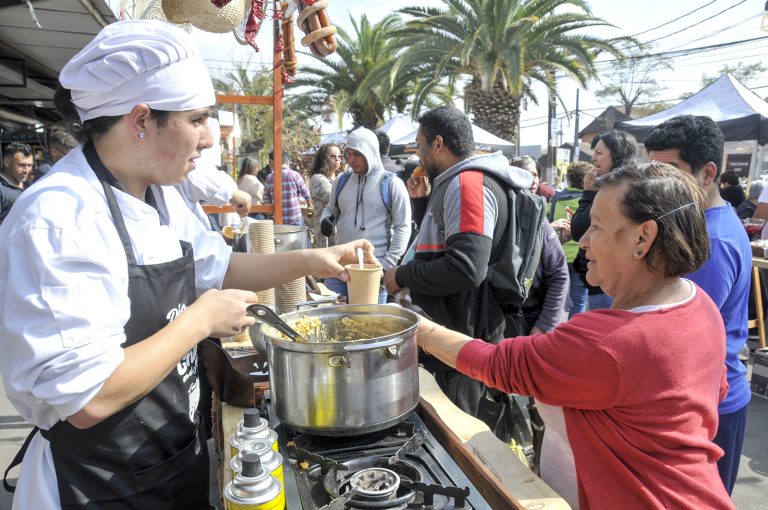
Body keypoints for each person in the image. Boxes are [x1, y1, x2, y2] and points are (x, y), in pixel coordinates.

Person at [0, 20, 375, 509]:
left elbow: (220, 269)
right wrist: (199, 321)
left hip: (169, 457)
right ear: (140, 120)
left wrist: (315, 258)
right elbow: (88, 398)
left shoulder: (161, 194)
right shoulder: (58, 218)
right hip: (100, 485)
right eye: (196, 119)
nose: (207, 139)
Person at [412, 162, 732, 509]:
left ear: (643, 237)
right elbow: (713, 392)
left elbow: (495, 363)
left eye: (596, 227)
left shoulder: (609, 342)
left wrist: (416, 327)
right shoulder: (700, 305)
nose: (583, 241)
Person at [381, 105, 533, 417]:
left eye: (421, 146)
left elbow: (466, 266)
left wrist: (403, 275)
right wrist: (421, 205)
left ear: (438, 144)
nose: (419, 157)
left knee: (460, 443)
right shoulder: (457, 183)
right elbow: (446, 245)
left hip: (460, 344)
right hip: (456, 337)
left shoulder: (468, 185)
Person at [645, 114, 751, 495]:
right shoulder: (696, 227)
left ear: (707, 174)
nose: (657, 184)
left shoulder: (713, 240)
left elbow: (671, 330)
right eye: (652, 170)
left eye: (670, 170)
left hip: (710, 407)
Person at [321, 127, 411, 302]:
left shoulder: (391, 184)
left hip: (372, 270)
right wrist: (326, 218)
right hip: (339, 267)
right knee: (333, 320)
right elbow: (330, 208)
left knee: (368, 325)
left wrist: (386, 265)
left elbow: (403, 227)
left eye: (358, 154)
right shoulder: (341, 181)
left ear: (370, 152)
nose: (351, 160)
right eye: (349, 154)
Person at [571, 130, 637, 311]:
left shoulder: (615, 189)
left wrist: (587, 192)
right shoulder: (631, 184)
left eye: (599, 153)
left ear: (617, 155)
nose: (594, 159)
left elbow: (578, 231)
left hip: (607, 283)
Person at [548, 161, 592, 317]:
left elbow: (547, 220)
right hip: (581, 255)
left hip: (558, 254)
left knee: (555, 298)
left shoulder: (556, 198)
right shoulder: (590, 200)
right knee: (579, 299)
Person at [262, 153, 312, 226]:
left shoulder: (269, 178)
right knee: (302, 236)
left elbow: (265, 199)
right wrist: (309, 206)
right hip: (295, 219)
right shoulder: (295, 175)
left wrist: (271, 213)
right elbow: (306, 194)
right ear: (288, 162)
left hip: (278, 220)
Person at [308, 143, 342, 246]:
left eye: (339, 156)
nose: (337, 159)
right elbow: (336, 197)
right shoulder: (317, 179)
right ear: (323, 159)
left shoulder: (340, 178)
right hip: (326, 236)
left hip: (340, 235)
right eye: (333, 156)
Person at [0, 142, 34, 225]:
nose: (26, 170)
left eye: (29, 165)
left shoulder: (31, 186)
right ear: (7, 162)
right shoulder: (1, 189)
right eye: (21, 165)